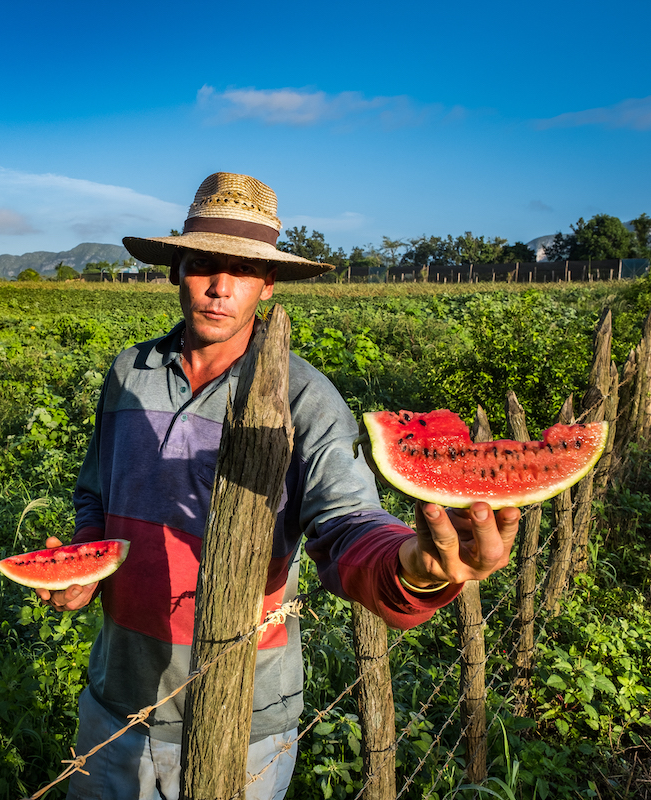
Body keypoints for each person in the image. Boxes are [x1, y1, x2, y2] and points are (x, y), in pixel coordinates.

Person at [36, 173, 522, 799]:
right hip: (115, 701)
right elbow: (96, 493)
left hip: (244, 715)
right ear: (174, 270)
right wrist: (84, 550)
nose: (219, 288)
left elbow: (348, 523)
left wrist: (415, 567)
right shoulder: (129, 372)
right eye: (202, 265)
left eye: (240, 270)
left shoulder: (307, 398)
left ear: (267, 284)